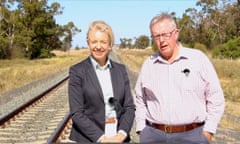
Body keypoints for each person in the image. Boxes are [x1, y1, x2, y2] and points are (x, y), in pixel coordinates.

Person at [134, 12, 225, 144]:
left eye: (166, 34)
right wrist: (142, 130)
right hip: (154, 136)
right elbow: (139, 99)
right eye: (156, 36)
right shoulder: (149, 65)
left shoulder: (198, 59)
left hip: (192, 136)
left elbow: (215, 98)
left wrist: (208, 132)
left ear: (176, 33)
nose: (162, 40)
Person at [68, 20, 135, 143]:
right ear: (88, 43)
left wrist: (121, 134)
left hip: (119, 138)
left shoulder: (120, 70)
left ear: (110, 44)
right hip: (89, 139)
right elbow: (77, 113)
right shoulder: (77, 72)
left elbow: (129, 107)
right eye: (94, 42)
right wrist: (102, 139)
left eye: (103, 42)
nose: (98, 46)